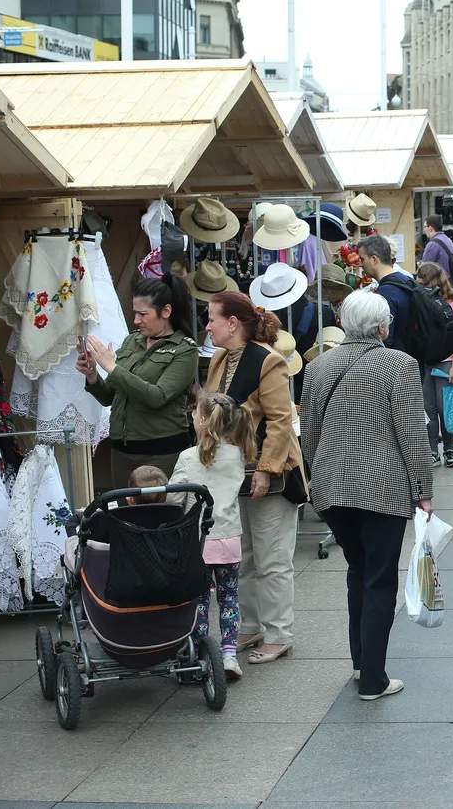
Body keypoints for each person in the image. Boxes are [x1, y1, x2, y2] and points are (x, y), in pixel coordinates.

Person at [301, 290, 434, 701]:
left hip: (330, 485)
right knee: (379, 578)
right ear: (381, 327)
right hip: (382, 486)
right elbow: (413, 433)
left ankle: (361, 663)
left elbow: (309, 431)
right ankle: (373, 680)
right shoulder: (399, 365)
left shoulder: (318, 367)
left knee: (357, 572)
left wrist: (316, 475)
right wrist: (423, 491)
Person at [204, 291, 305, 665]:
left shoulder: (269, 361)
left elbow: (281, 421)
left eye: (212, 318)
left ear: (233, 323)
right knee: (240, 555)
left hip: (270, 476)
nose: (207, 325)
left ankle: (279, 632)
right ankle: (250, 624)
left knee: (273, 557)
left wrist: (265, 469)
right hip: (231, 473)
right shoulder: (218, 358)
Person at [168, 391, 256, 681]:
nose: (192, 417)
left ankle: (200, 655)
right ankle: (229, 655)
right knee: (230, 598)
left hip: (199, 543)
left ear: (202, 419)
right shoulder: (239, 455)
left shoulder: (188, 457)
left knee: (201, 601)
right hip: (229, 540)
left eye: (194, 414)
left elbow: (175, 497)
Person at [79, 274, 199, 483]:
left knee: (161, 513)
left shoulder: (184, 350)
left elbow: (157, 397)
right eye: (135, 313)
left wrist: (112, 367)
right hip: (122, 451)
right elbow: (110, 397)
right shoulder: (132, 341)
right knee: (126, 514)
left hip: (161, 452)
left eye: (143, 314)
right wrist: (92, 375)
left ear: (166, 311)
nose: (136, 321)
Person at [415, 262, 453, 468]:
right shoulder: (421, 304)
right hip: (427, 362)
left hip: (445, 363)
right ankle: (432, 450)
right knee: (429, 408)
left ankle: (449, 448)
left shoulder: (452, 306)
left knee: (446, 409)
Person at [357, 235, 412, 353]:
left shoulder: (385, 293)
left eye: (362, 259)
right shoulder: (406, 280)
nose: (360, 264)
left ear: (374, 259)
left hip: (396, 362)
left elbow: (384, 339)